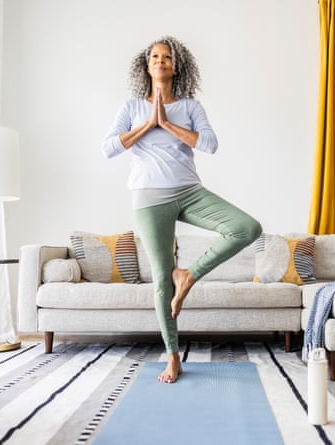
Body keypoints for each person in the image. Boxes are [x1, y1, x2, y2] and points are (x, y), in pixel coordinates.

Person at [102, 36, 262, 384]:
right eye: (155, 56)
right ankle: (173, 357)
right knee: (161, 279)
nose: (160, 60)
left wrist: (168, 124)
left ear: (176, 66)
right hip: (148, 197)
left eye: (167, 56)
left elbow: (210, 144)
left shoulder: (190, 106)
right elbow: (109, 149)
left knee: (247, 228)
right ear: (146, 66)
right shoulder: (131, 107)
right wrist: (148, 124)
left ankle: (188, 275)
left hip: (189, 191)